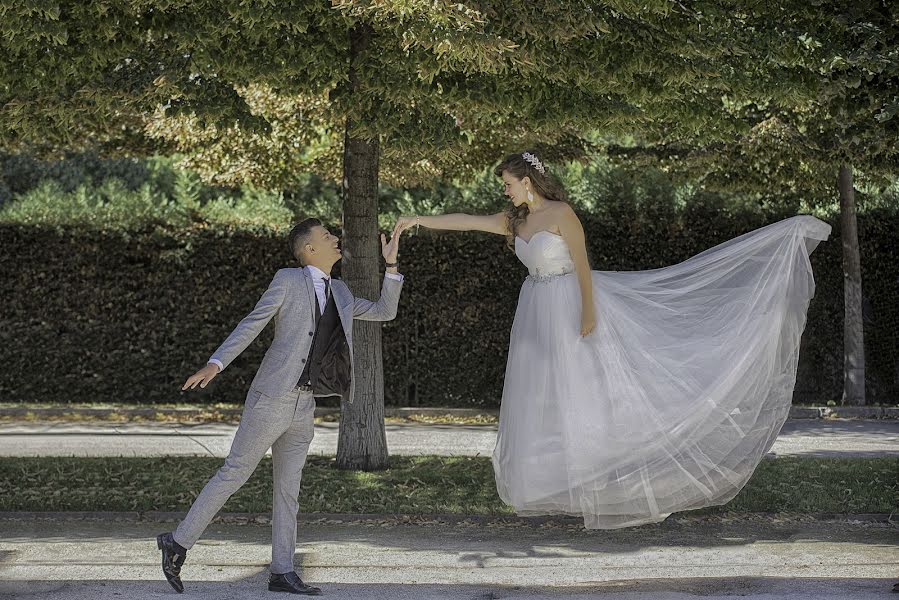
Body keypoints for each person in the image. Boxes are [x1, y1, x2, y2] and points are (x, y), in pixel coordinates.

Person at [394, 150, 831, 529]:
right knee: (540, 393)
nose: (505, 191)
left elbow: (582, 265)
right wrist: (419, 219)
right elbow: (468, 222)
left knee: (588, 386)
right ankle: (557, 476)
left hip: (568, 301)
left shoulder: (561, 214)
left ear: (527, 182)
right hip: (535, 309)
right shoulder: (515, 220)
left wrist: (588, 312)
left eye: (508, 184)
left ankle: (609, 465)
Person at [157, 218, 404, 594]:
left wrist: (391, 267)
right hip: (271, 398)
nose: (336, 239)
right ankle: (177, 543)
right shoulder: (288, 280)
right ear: (309, 250)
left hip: (305, 405)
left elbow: (386, 311)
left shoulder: (341, 291)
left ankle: (282, 571)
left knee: (289, 489)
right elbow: (252, 323)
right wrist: (216, 362)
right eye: (327, 237)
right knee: (234, 473)